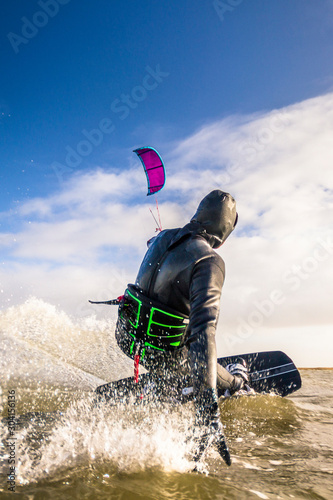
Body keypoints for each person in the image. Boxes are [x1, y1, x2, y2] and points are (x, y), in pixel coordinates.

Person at [115, 189, 249, 465]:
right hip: (166, 353)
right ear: (224, 233)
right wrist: (207, 411)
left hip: (128, 339)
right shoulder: (210, 261)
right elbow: (204, 333)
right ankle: (237, 383)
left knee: (175, 330)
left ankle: (170, 381)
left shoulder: (161, 238)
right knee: (191, 350)